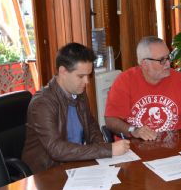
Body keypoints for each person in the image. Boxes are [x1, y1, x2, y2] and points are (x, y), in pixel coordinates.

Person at [22, 42, 130, 173]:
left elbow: (91, 125)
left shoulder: (79, 93)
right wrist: (107, 150)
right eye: (81, 76)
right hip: (47, 173)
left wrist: (103, 151)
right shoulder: (42, 103)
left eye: (88, 75)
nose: (87, 81)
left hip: (74, 166)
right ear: (63, 72)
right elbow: (57, 149)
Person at [104, 36, 181, 140]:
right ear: (145, 64)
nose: (168, 63)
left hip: (176, 148)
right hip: (136, 148)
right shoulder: (125, 81)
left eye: (168, 57)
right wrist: (133, 130)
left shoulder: (178, 79)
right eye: (162, 60)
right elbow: (111, 120)